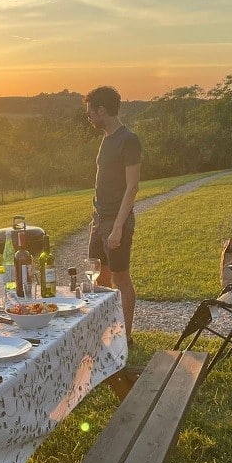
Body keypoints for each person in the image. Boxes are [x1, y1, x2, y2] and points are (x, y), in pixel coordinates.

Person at [84, 86, 142, 342]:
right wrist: (95, 219)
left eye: (90, 114)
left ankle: (125, 337)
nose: (89, 119)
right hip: (99, 220)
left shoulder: (128, 140)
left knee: (120, 278)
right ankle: (106, 331)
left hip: (116, 221)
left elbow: (132, 186)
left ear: (101, 110)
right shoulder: (106, 139)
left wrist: (118, 227)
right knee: (99, 277)